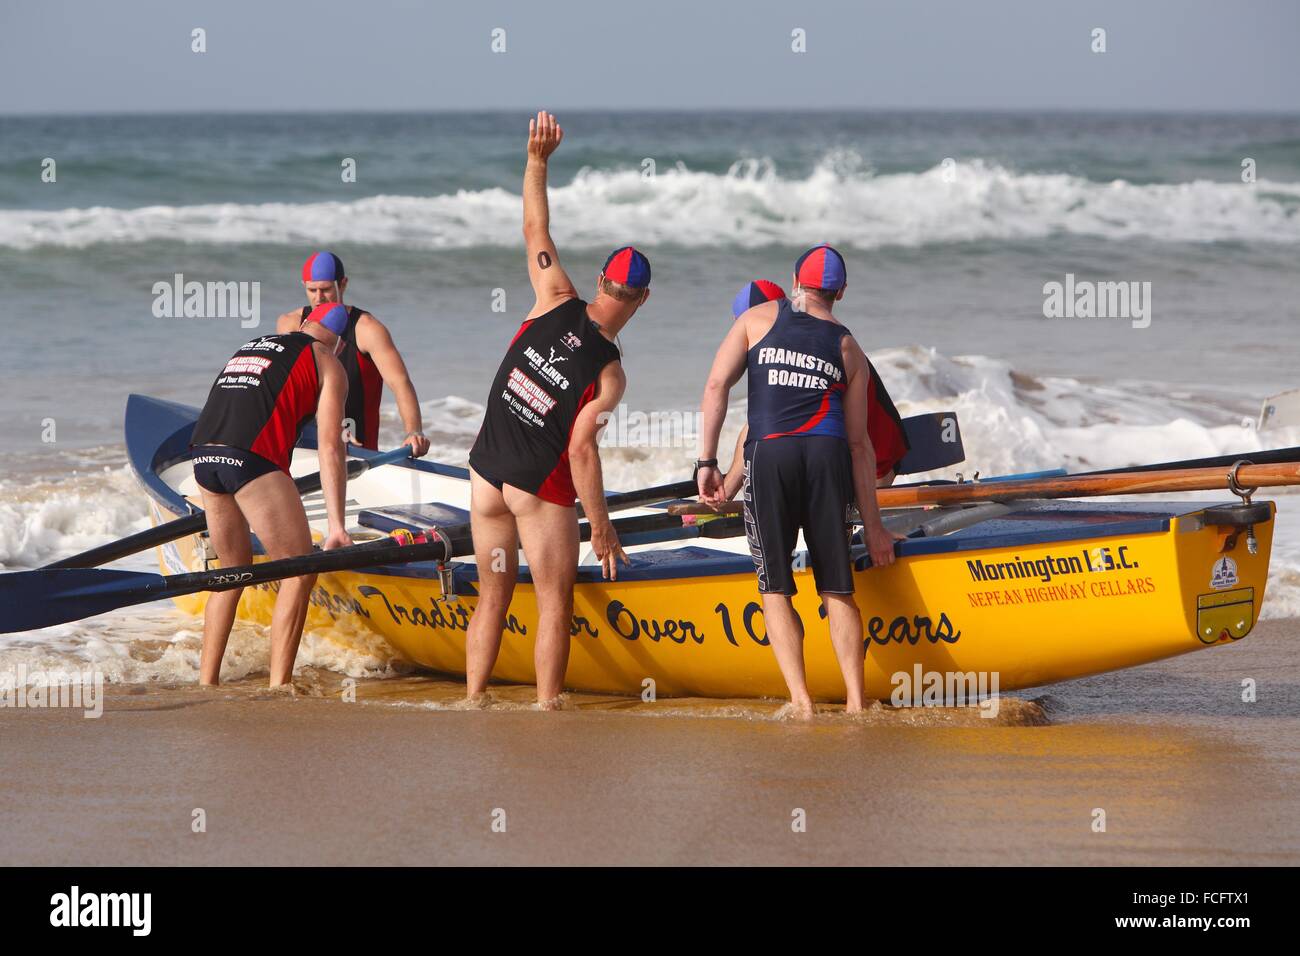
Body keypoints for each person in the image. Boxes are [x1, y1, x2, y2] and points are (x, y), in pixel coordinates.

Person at [464, 111, 651, 709]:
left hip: (484, 472)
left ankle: (473, 699)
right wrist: (600, 527)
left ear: (601, 280)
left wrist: (537, 161)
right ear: (642, 299)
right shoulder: (611, 374)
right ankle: (546, 708)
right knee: (553, 603)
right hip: (534, 492)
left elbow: (533, 226)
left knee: (491, 596)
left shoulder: (552, 296)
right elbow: (580, 450)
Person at [696, 245, 898, 718]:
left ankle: (802, 703)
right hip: (827, 458)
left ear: (794, 281)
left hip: (771, 457)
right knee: (837, 588)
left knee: (775, 587)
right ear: (841, 292)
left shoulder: (756, 321)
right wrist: (874, 527)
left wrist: (706, 462)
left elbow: (715, 387)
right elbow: (859, 446)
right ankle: (855, 702)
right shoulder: (849, 346)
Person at [189, 302, 353, 687]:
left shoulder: (255, 343)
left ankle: (206, 680)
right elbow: (331, 446)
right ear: (340, 343)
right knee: (298, 569)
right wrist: (336, 526)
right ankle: (280, 686)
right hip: (249, 459)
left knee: (231, 573)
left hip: (202, 455)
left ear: (304, 323)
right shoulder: (328, 361)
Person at [718, 280, 910, 500]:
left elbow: (758, 425)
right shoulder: (814, 334)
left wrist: (725, 493)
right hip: (863, 455)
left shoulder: (790, 352)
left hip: (873, 466)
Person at [276, 251, 430, 457]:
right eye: (312, 290)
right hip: (305, 445)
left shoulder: (367, 328)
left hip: (359, 449)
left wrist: (414, 431)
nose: (319, 298)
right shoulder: (290, 323)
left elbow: (400, 383)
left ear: (343, 284)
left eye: (326, 289)